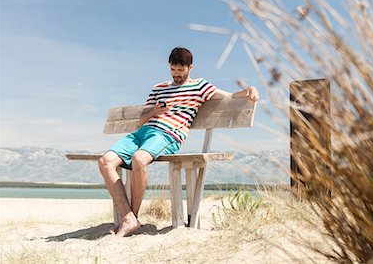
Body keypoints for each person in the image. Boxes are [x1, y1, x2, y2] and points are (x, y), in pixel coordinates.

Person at [98, 47, 259, 237]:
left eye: (180, 71)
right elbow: (142, 119)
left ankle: (132, 217)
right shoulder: (159, 88)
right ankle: (129, 218)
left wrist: (249, 90)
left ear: (190, 67)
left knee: (138, 159)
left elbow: (229, 96)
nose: (176, 74)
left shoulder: (199, 86)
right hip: (143, 132)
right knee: (105, 161)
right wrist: (154, 112)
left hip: (168, 134)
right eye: (173, 70)